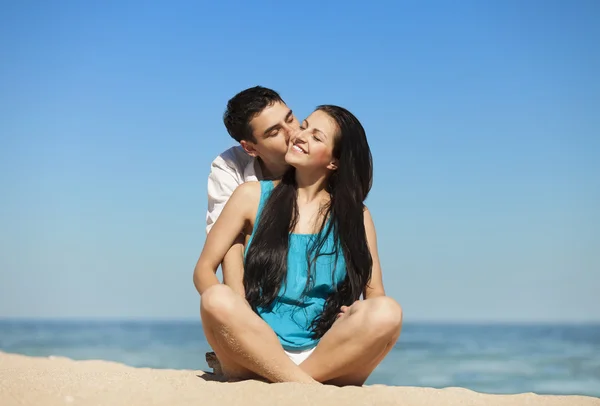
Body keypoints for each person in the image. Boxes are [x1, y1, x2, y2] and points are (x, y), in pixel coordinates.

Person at [193, 105, 403, 385]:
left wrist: (355, 314)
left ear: (334, 162)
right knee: (215, 298)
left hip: (325, 352)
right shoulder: (251, 196)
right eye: (304, 126)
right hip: (256, 348)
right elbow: (203, 271)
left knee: (388, 312)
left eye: (317, 137)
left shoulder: (357, 216)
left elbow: (374, 291)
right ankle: (305, 388)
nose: (300, 135)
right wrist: (237, 313)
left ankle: (290, 383)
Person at [205, 86, 299, 294]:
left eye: (290, 119)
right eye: (275, 132)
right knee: (233, 233)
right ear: (250, 148)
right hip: (259, 283)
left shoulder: (320, 153)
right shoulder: (230, 165)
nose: (292, 133)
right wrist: (237, 309)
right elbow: (226, 240)